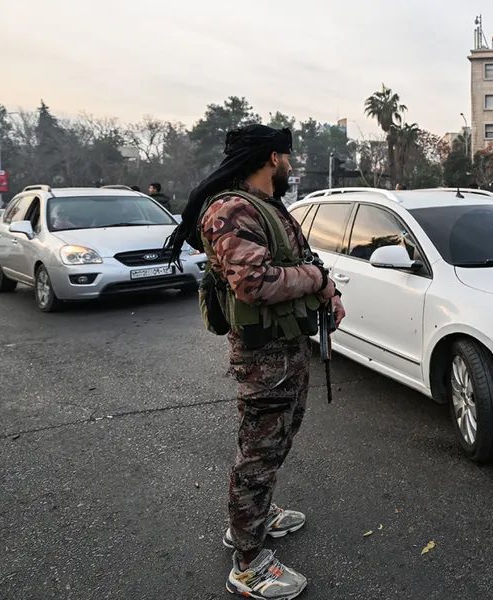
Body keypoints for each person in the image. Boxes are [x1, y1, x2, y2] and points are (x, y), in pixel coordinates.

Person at [166, 124, 346, 599]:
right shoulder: (232, 209)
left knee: (281, 437)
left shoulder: (267, 207)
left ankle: (256, 517)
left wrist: (329, 291)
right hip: (264, 356)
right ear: (273, 158)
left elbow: (297, 260)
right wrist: (314, 279)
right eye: (288, 157)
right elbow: (255, 284)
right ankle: (247, 561)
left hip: (287, 349)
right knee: (258, 453)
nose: (291, 164)